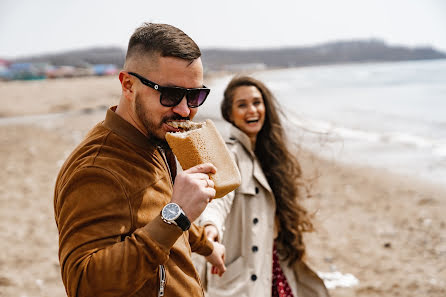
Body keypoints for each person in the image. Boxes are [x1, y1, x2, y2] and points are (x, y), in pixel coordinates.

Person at [54, 23, 226, 297]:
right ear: (128, 85)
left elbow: (160, 214)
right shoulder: (97, 168)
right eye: (170, 94)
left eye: (195, 96)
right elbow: (84, 285)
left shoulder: (154, 138)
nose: (184, 110)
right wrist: (177, 215)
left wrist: (206, 245)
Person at [198, 76, 329, 297]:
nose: (252, 110)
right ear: (229, 114)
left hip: (274, 265)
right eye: (242, 105)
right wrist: (210, 227)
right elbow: (219, 197)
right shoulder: (230, 154)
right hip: (244, 278)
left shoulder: (269, 155)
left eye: (257, 103)